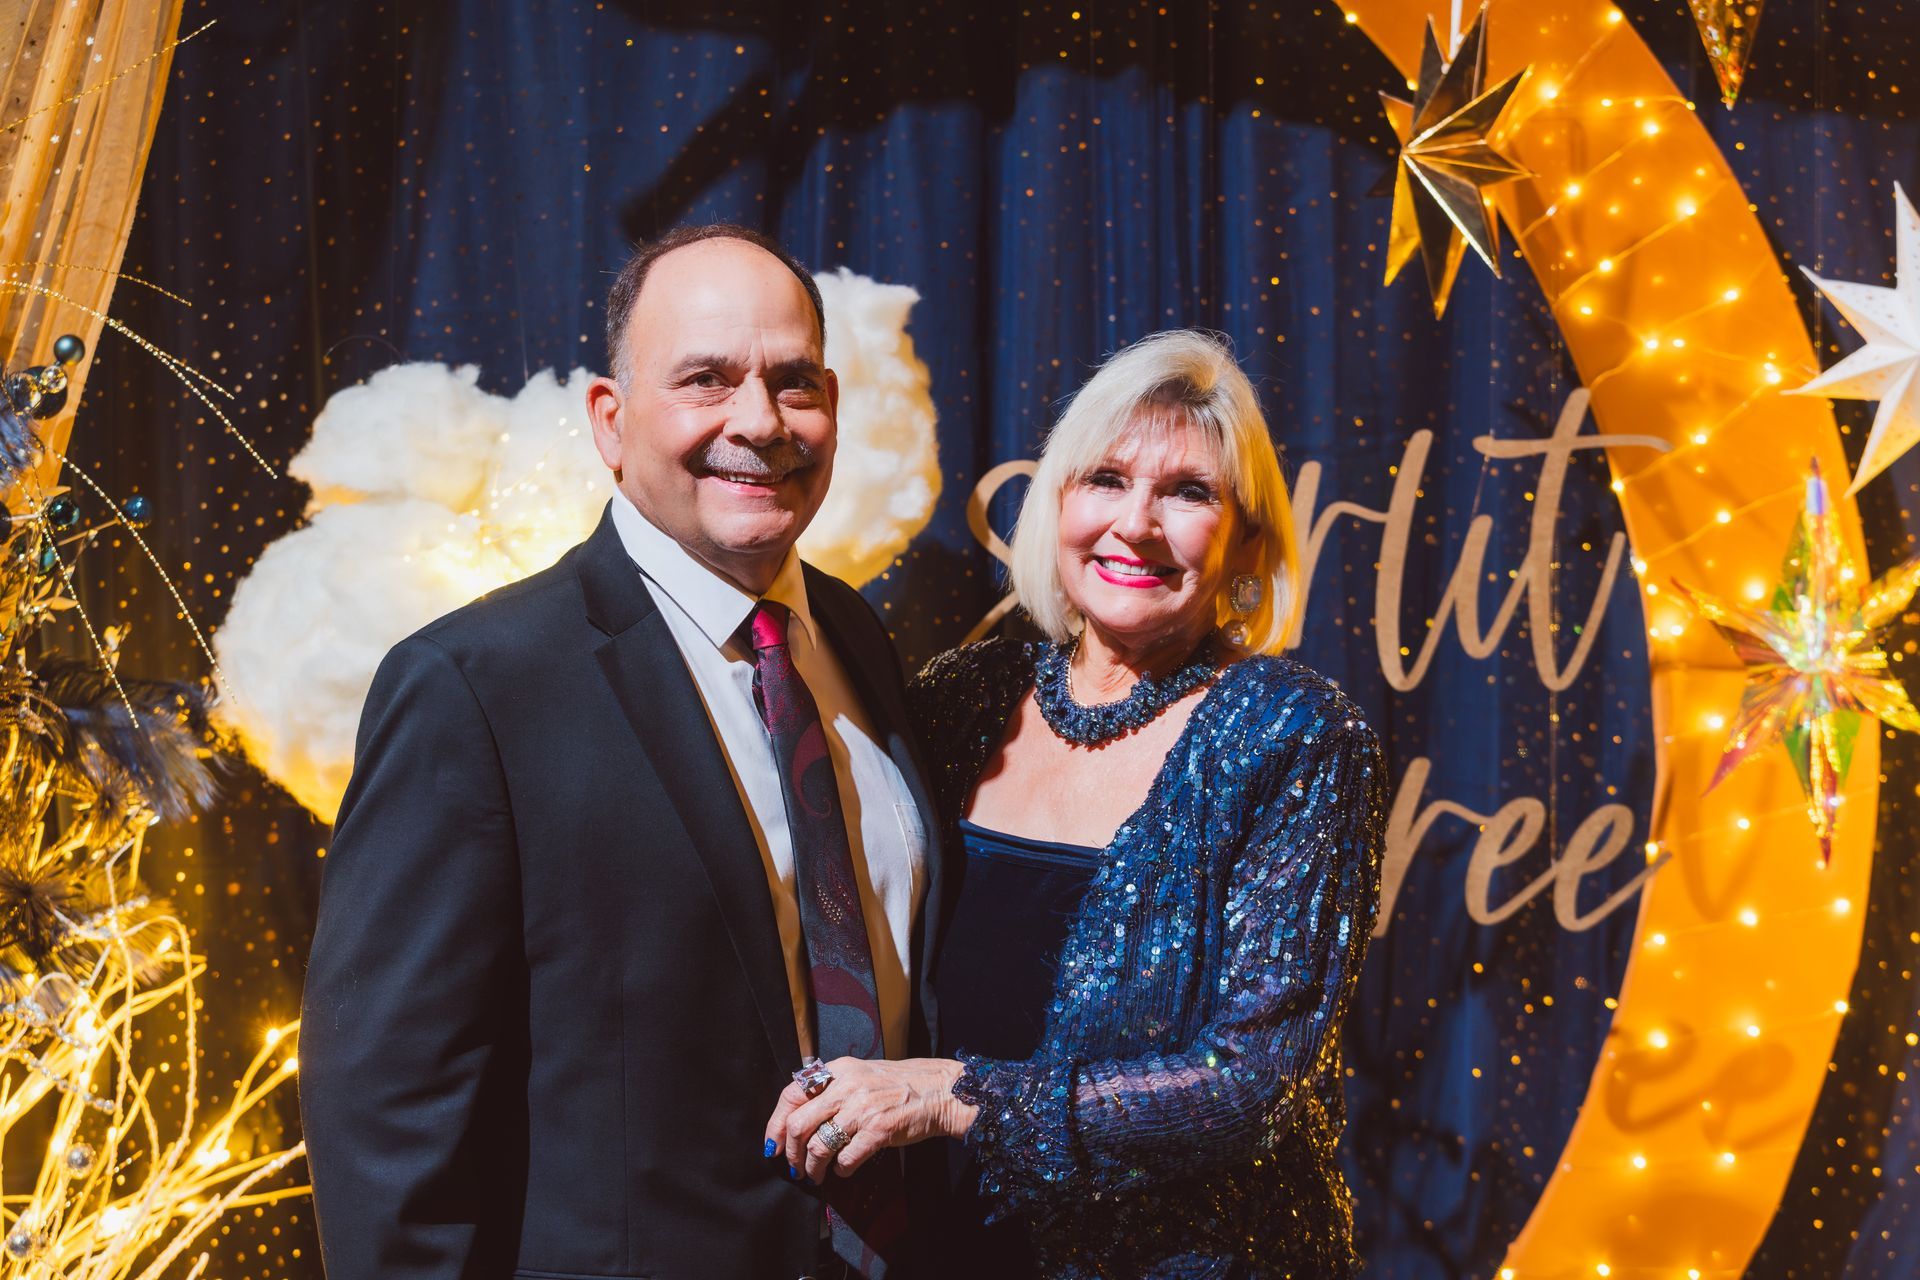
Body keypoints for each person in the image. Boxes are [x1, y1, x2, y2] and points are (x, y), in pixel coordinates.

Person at [301, 224, 947, 1280]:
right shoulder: (474, 686)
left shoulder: (856, 640)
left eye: (793, 383)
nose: (759, 421)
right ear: (610, 420)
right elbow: (388, 1116)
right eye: (706, 380)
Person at [764, 330, 1387, 1278]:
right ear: (1057, 504)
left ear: (1249, 540)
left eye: (1188, 492)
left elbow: (1253, 1085)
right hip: (946, 1247)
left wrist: (956, 1098)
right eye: (1105, 479)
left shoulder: (1295, 734)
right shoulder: (965, 696)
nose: (1136, 524)